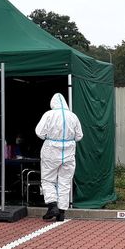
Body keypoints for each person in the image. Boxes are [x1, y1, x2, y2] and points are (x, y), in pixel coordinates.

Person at [35, 93, 83, 221]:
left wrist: (50, 137)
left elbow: (39, 132)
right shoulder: (73, 116)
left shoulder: (48, 115)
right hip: (68, 153)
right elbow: (79, 136)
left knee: (48, 179)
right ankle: (61, 212)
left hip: (51, 151)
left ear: (52, 103)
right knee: (65, 181)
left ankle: (52, 205)